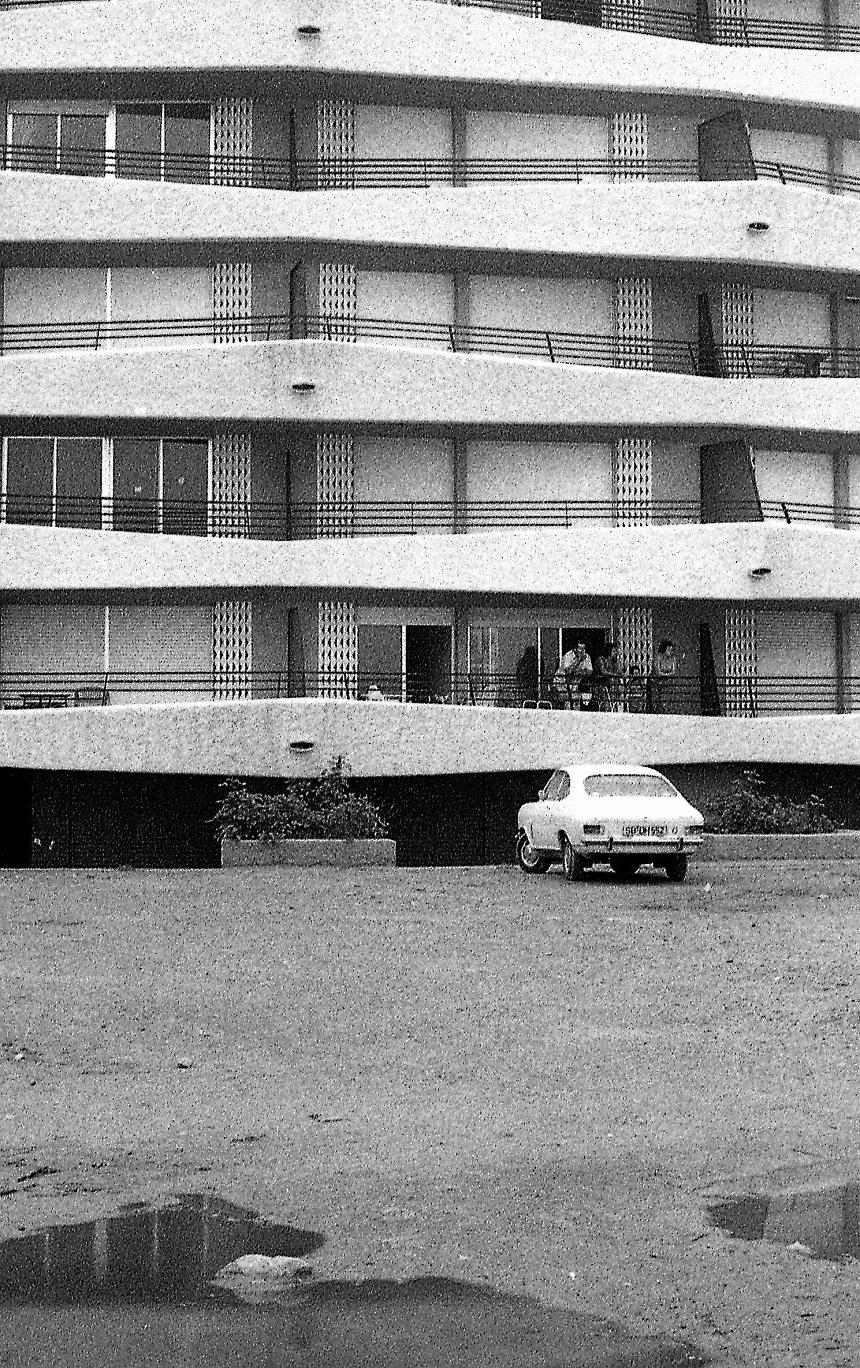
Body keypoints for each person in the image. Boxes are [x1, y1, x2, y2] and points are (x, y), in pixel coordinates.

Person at [553, 638, 592, 709]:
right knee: (567, 701)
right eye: (580, 649)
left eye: (584, 649)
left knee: (577, 701)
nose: (582, 651)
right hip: (562, 683)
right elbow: (568, 672)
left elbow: (589, 671)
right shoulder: (567, 656)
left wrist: (579, 672)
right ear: (575, 649)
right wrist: (579, 661)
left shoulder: (586, 656)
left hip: (575, 683)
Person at [651, 639, 678, 714]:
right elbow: (657, 671)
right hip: (655, 682)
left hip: (666, 682)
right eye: (669, 649)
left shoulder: (673, 658)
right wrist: (665, 674)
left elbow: (673, 671)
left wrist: (666, 675)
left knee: (667, 699)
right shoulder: (658, 657)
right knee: (655, 701)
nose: (671, 652)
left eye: (672, 650)